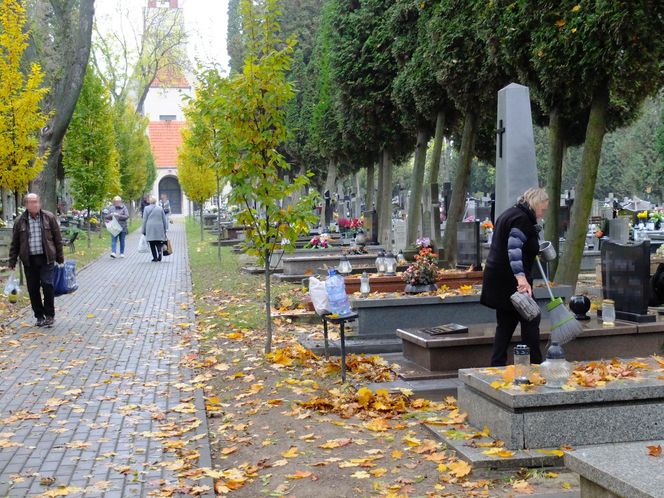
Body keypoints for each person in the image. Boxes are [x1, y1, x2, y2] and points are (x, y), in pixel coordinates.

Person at [480, 187, 550, 366]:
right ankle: (534, 365)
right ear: (535, 203)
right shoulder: (521, 219)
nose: (543, 213)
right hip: (512, 279)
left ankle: (497, 364)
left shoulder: (512, 213)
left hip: (499, 278)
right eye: (543, 208)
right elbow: (514, 249)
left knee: (506, 322)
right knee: (531, 317)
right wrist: (521, 279)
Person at [8, 193, 64, 327]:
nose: (34, 204)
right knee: (33, 289)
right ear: (26, 205)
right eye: (31, 202)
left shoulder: (48, 217)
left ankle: (50, 315)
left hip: (46, 258)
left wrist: (60, 258)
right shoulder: (20, 221)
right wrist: (12, 261)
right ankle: (39, 316)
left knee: (47, 284)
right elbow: (15, 243)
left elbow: (57, 239)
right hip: (29, 260)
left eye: (36, 201)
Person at [142, 196, 168, 262]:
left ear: (150, 201)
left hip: (150, 227)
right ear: (155, 201)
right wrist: (165, 228)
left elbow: (144, 220)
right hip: (159, 227)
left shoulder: (146, 208)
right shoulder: (160, 208)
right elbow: (164, 219)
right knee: (159, 242)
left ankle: (155, 258)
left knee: (152, 243)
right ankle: (159, 252)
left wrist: (143, 230)